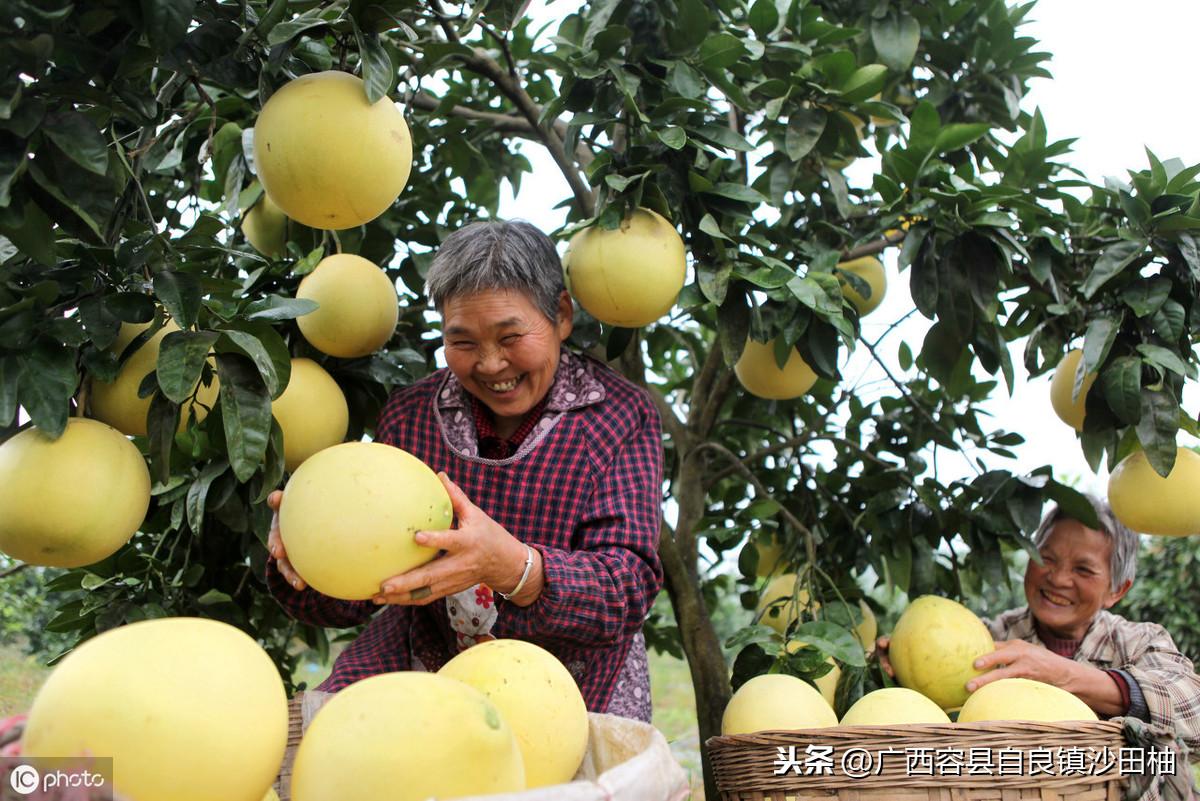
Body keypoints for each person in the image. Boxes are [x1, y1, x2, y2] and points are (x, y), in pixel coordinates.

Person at [264, 219, 665, 721]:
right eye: (465, 342)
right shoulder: (410, 418)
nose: (492, 364)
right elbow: (358, 595)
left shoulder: (617, 416)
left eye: (510, 336)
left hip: (572, 681)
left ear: (561, 315)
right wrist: (304, 555)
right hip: (434, 671)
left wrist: (515, 569)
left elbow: (625, 589)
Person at [877, 497, 1200, 791]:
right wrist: (890, 668)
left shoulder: (1140, 641)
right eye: (1047, 558)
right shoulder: (989, 638)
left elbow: (1193, 713)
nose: (1058, 579)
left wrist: (1064, 675)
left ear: (1117, 590)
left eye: (1083, 569)